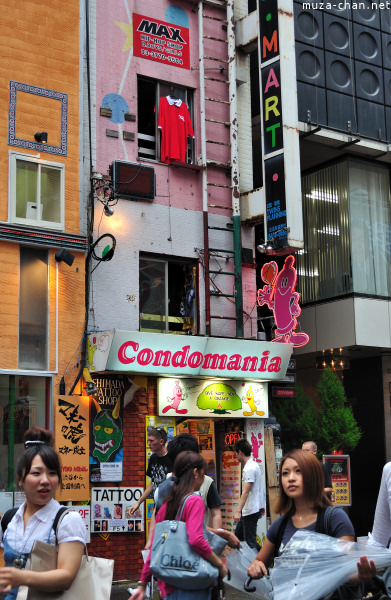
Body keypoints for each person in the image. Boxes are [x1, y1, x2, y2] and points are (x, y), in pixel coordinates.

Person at [247, 449, 376, 584]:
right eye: (285, 473)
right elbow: (258, 562)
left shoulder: (335, 519)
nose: (291, 478)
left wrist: (361, 575)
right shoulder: (280, 524)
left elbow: (347, 570)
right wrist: (255, 566)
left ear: (313, 475)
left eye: (298, 471)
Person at [0, 427, 86, 600]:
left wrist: (23, 577)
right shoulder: (9, 519)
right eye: (36, 473)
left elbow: (66, 577)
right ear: (20, 479)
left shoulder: (67, 520)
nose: (45, 480)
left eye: (52, 473)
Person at [130, 451, 228, 600]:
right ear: (195, 473)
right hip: (193, 586)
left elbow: (156, 548)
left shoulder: (167, 503)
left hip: (168, 586)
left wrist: (142, 584)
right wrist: (219, 564)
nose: (204, 478)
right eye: (203, 473)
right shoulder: (194, 501)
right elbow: (196, 539)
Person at [145, 433, 239, 550]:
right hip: (175, 549)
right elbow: (158, 513)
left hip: (192, 548)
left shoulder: (206, 482)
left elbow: (216, 513)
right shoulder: (166, 482)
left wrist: (215, 540)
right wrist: (150, 541)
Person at [129, 427, 173, 517]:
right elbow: (153, 483)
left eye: (151, 441)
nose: (149, 444)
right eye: (148, 441)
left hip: (171, 508)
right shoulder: (153, 458)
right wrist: (138, 503)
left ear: (161, 442)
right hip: (157, 506)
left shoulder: (172, 458)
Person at [233, 438, 266, 550]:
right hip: (250, 509)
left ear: (240, 452)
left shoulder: (250, 468)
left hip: (250, 510)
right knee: (238, 536)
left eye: (236, 453)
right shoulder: (253, 465)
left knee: (249, 542)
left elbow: (246, 492)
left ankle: (263, 561)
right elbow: (259, 488)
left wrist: (238, 511)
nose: (236, 456)